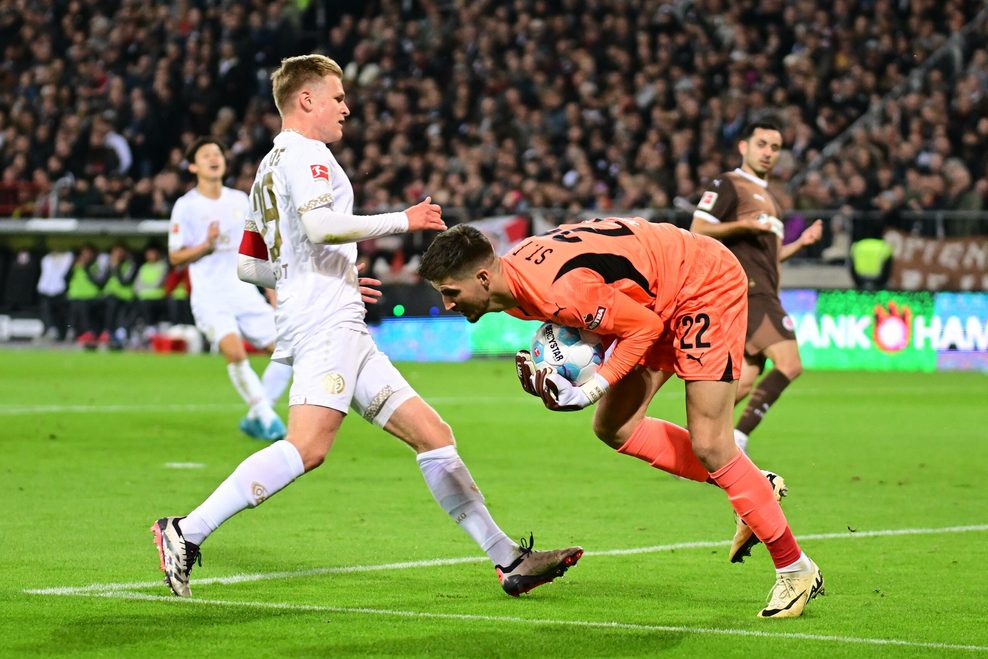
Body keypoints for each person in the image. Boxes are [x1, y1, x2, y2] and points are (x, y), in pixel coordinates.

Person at [151, 54, 582, 601]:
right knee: (307, 447)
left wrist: (332, 278)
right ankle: (185, 532)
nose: (345, 108)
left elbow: (250, 265)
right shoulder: (307, 154)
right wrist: (405, 220)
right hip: (325, 326)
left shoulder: (267, 166)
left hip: (337, 321)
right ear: (305, 99)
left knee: (433, 436)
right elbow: (319, 224)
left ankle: (508, 559)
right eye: (336, 97)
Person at [418, 218, 825, 618]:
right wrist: (556, 381)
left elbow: (640, 326)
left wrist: (591, 388)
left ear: (484, 278)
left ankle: (796, 569)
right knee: (613, 427)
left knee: (711, 442)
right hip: (656, 292)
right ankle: (755, 487)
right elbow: (605, 312)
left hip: (703, 283)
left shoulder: (557, 291)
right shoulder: (519, 280)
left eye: (451, 292)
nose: (447, 304)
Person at [690, 120, 822, 454]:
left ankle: (694, 443)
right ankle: (739, 437)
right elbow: (699, 227)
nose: (768, 153)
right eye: (761, 144)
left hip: (763, 287)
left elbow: (771, 257)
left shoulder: (770, 198)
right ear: (743, 147)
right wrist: (743, 224)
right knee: (790, 364)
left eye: (775, 148)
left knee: (744, 381)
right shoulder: (729, 184)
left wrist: (800, 244)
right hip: (748, 290)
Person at [167, 137, 292, 441]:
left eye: (217, 153)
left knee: (289, 352)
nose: (214, 157)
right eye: (206, 154)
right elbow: (175, 256)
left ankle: (257, 414)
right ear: (194, 166)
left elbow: (258, 247)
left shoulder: (240, 200)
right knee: (234, 352)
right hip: (210, 296)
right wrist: (206, 246)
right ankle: (266, 417)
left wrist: (271, 290)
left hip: (244, 290)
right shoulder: (186, 206)